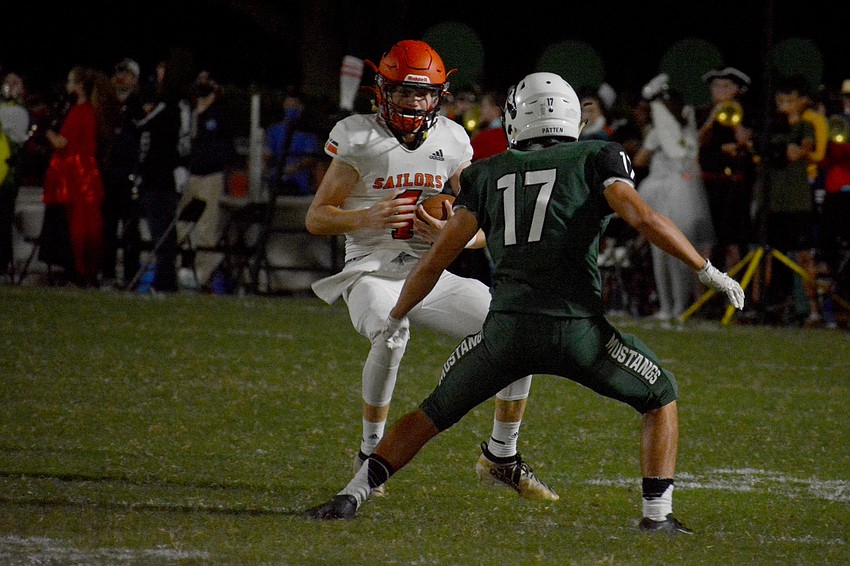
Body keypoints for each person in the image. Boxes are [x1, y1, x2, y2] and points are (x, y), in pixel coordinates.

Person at [304, 71, 745, 533]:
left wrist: (396, 314)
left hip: (506, 334)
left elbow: (434, 261)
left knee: (433, 411)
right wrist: (706, 269)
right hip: (579, 333)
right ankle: (657, 516)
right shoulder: (597, 155)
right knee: (661, 394)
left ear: (518, 117)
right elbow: (645, 218)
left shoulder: (487, 172)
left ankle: (352, 494)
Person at [305, 40, 556, 501]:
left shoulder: (453, 139)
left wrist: (451, 232)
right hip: (369, 272)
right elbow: (317, 217)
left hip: (427, 274)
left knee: (519, 329)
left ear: (438, 96)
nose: (413, 103)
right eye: (403, 92)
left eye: (422, 94)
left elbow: (486, 223)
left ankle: (502, 455)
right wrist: (366, 217)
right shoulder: (358, 137)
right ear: (382, 91)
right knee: (391, 330)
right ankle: (370, 452)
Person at [633, 73, 716, 323]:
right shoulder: (686, 130)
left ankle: (667, 306)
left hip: (662, 194)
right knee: (681, 251)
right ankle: (682, 306)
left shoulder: (658, 133)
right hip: (687, 195)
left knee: (661, 252)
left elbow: (639, 161)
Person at [42, 66, 108, 287]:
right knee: (86, 222)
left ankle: (80, 270)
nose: (67, 86)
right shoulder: (89, 111)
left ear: (79, 87)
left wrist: (46, 131)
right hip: (85, 172)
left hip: (77, 175)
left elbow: (63, 143)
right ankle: (87, 270)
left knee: (78, 223)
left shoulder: (80, 112)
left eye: (71, 82)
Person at [132, 51, 193, 292]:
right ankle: (165, 280)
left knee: (162, 233)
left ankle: (164, 281)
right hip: (167, 176)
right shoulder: (181, 105)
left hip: (160, 177)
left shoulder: (170, 105)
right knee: (164, 231)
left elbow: (142, 126)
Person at [175, 72, 238, 291]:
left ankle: (202, 274)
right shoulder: (191, 111)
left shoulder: (220, 113)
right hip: (192, 174)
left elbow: (225, 149)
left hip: (211, 175)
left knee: (206, 226)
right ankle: (182, 267)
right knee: (182, 222)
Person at [697, 67, 756, 273]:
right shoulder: (702, 112)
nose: (720, 91)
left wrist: (734, 119)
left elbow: (745, 140)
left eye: (725, 86)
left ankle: (732, 296)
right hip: (707, 186)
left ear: (736, 90)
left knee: (733, 243)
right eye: (716, 86)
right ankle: (702, 301)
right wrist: (713, 117)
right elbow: (697, 142)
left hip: (735, 186)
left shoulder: (746, 113)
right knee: (705, 245)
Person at [100, 58, 144, 289]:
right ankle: (107, 273)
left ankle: (130, 275)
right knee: (108, 227)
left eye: (126, 74)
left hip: (129, 174)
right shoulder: (107, 105)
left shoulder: (138, 105)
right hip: (110, 173)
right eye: (119, 73)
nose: (122, 78)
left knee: (129, 229)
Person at [0, 72, 31, 282]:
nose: (10, 87)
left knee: (3, 217)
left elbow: (18, 137)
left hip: (7, 172)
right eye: (7, 84)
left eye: (15, 84)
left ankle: (3, 265)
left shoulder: (20, 112)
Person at [264, 88, 321, 196]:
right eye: (287, 106)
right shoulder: (274, 130)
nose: (289, 109)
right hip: (276, 180)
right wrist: (266, 170)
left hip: (299, 183)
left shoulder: (307, 133)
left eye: (293, 106)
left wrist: (293, 168)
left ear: (301, 107)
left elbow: (310, 159)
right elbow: (266, 154)